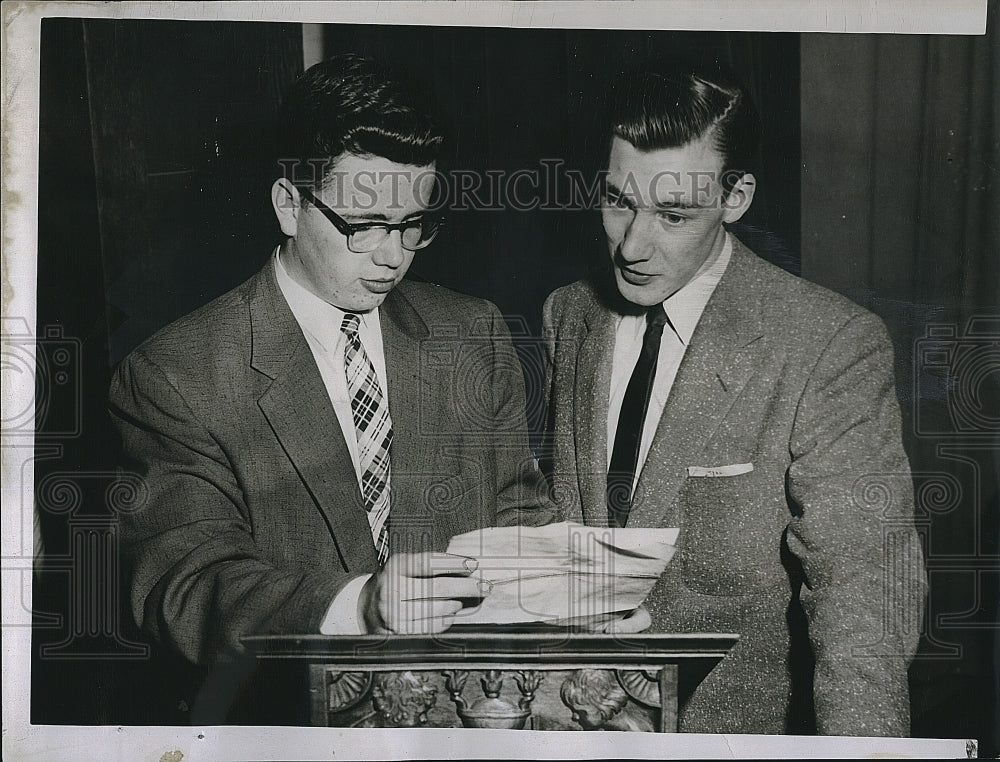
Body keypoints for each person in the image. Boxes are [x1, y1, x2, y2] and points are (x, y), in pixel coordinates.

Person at [109, 54, 553, 688]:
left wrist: (576, 589)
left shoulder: (473, 333)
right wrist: (360, 606)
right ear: (290, 206)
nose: (393, 256)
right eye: (365, 224)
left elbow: (517, 518)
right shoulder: (175, 376)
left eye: (413, 225)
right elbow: (188, 583)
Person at [542, 57, 926, 735]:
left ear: (737, 196)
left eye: (674, 213)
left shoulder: (828, 344)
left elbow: (861, 594)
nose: (632, 244)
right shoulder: (568, 316)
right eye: (618, 200)